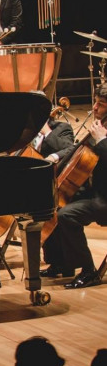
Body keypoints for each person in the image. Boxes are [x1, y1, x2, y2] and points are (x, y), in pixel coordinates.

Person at [41, 82, 107, 288]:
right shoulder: (100, 126)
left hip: (104, 198)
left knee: (66, 215)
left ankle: (89, 271)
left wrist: (103, 140)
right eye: (95, 103)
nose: (94, 108)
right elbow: (75, 149)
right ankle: (62, 263)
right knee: (52, 202)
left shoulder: (101, 133)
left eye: (101, 105)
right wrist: (56, 157)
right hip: (94, 191)